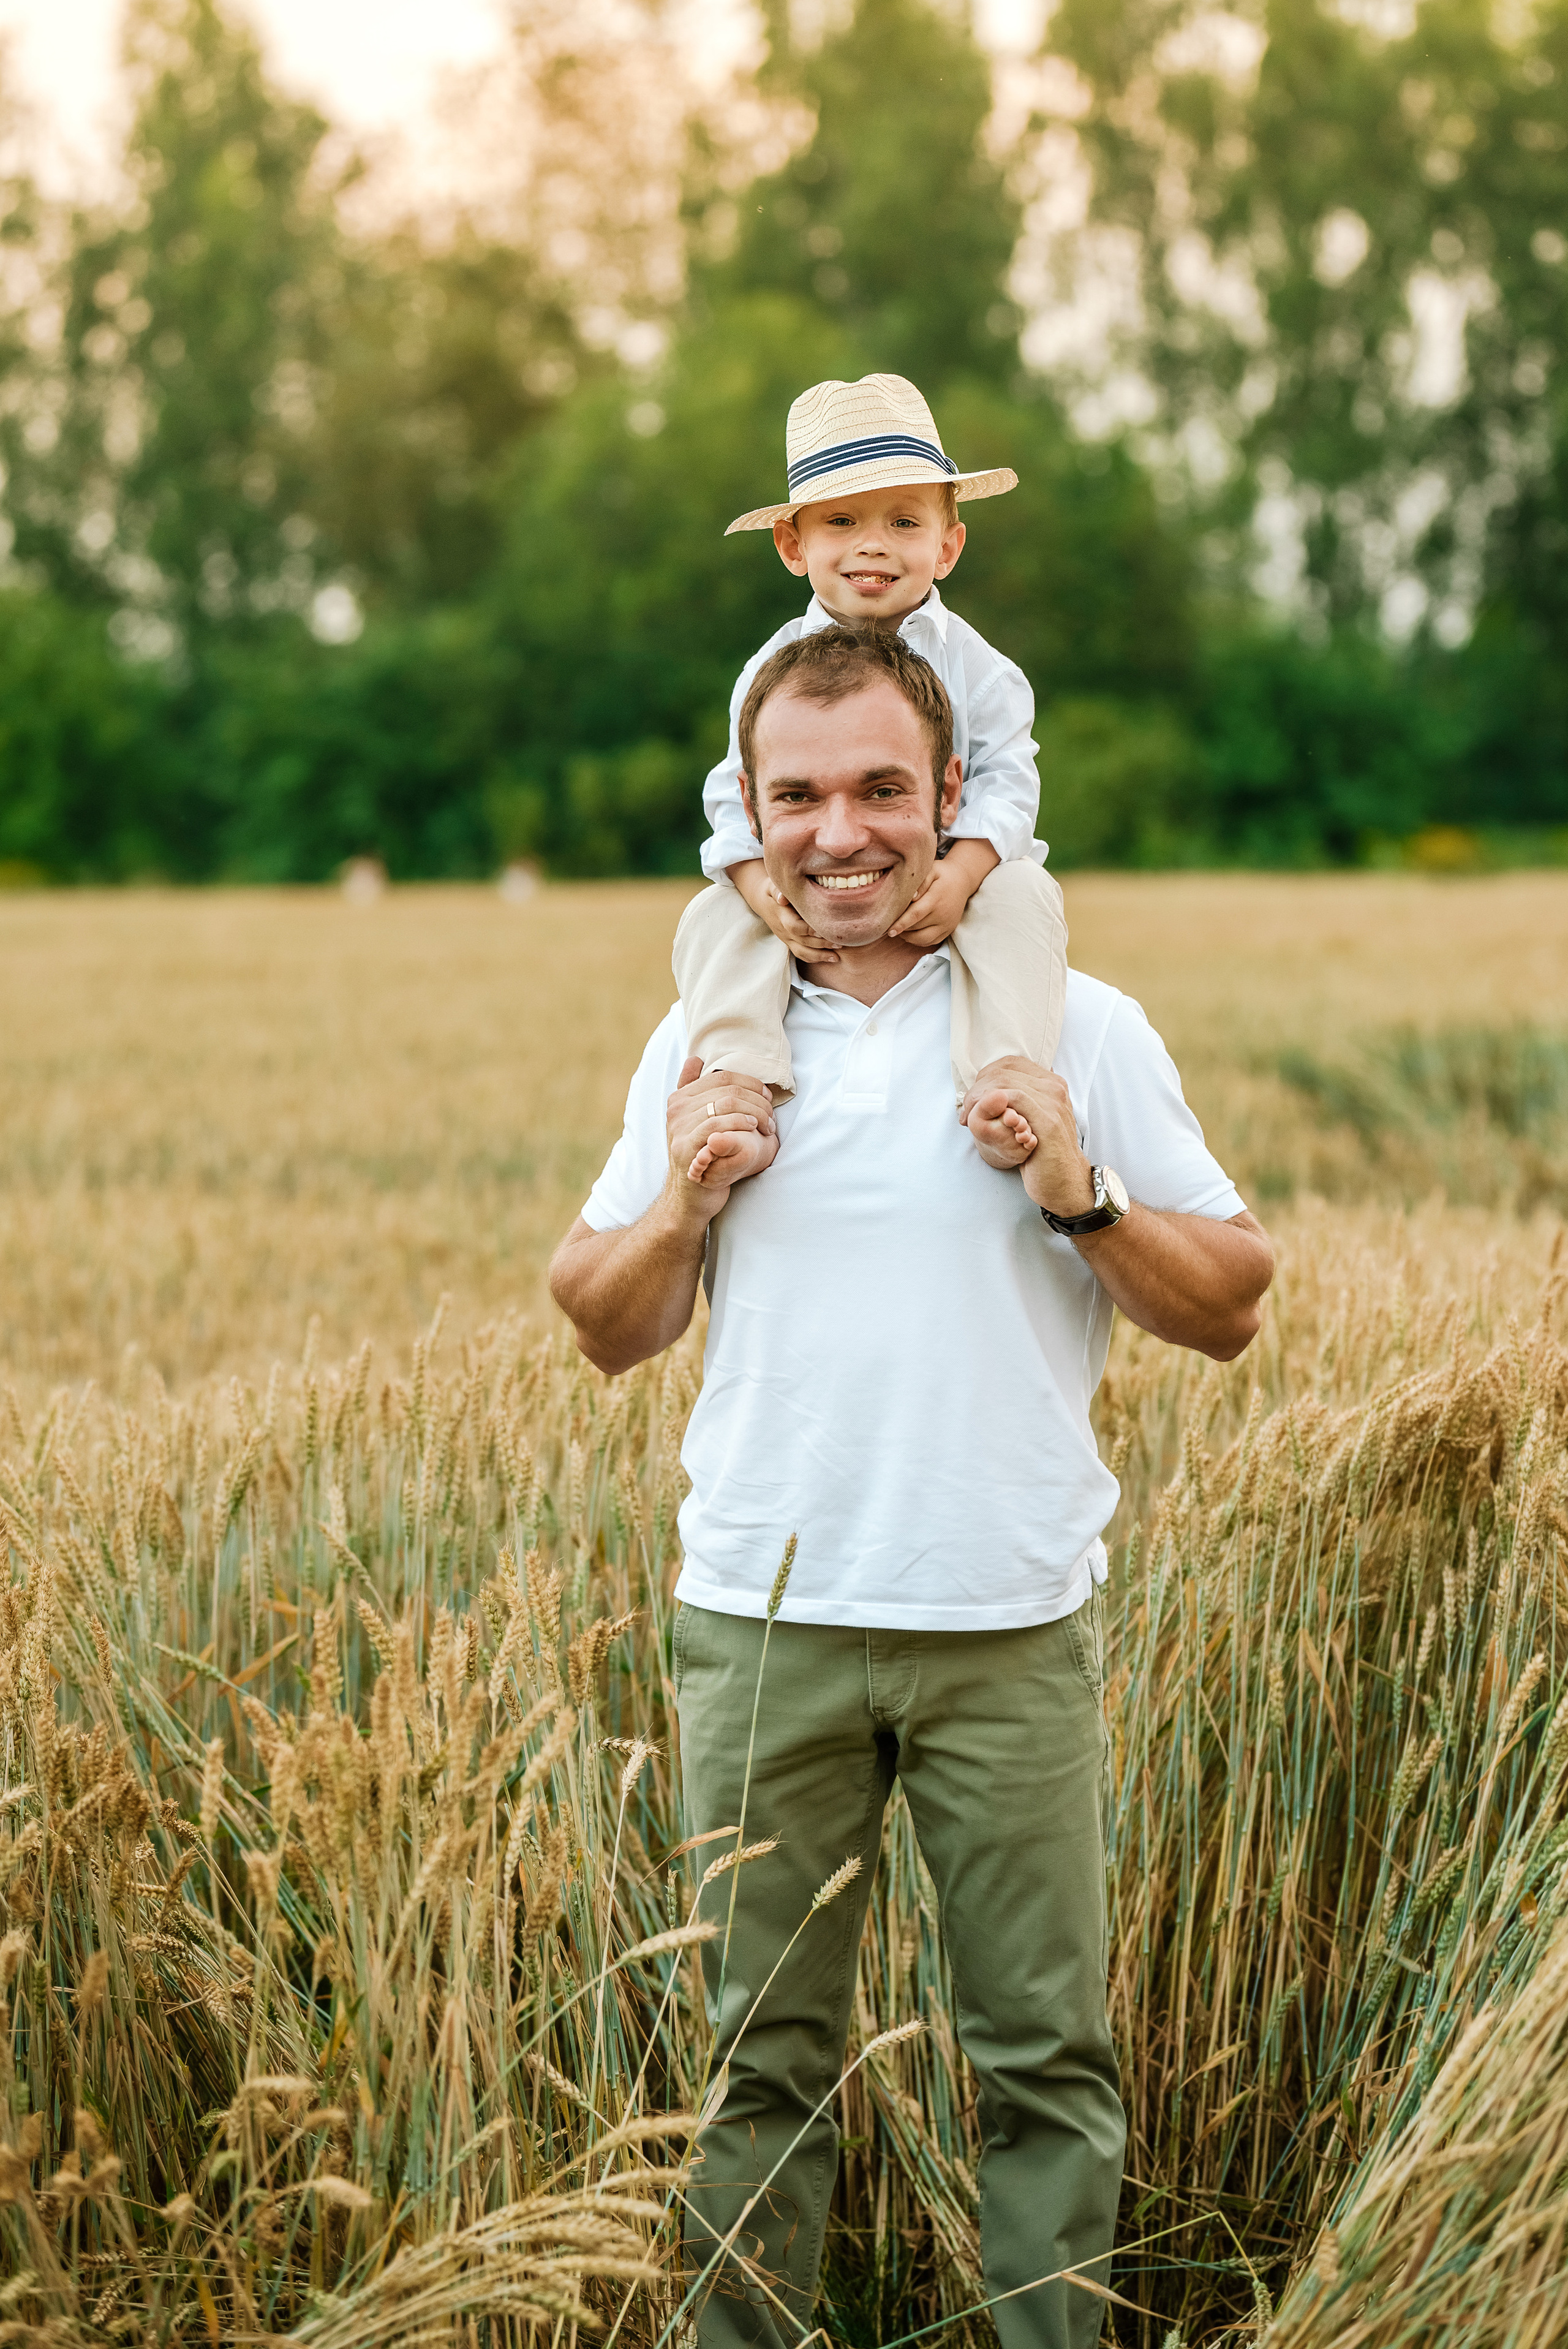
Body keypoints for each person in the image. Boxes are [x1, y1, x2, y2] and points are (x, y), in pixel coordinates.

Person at [549, 626, 1274, 2348]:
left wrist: (1080, 1190)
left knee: (1043, 2061)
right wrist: (686, 1198)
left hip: (1002, 1623)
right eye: (798, 796)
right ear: (753, 809)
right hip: (762, 1621)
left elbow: (1235, 1304)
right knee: (755, 2065)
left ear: (955, 798)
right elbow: (604, 1325)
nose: (841, 833)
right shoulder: (708, 1040)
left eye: (884, 789)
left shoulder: (1076, 1024)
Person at [674, 369, 1067, 1139]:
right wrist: (759, 889)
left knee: (1024, 901)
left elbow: (1009, 783)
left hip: (952, 875)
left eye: (904, 523)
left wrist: (963, 874)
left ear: (947, 546)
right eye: (843, 522)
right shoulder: (767, 672)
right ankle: (738, 1075)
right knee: (713, 915)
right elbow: (735, 792)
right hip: (813, 880)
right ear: (793, 545)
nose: (873, 546)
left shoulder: (982, 671)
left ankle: (1002, 1078)